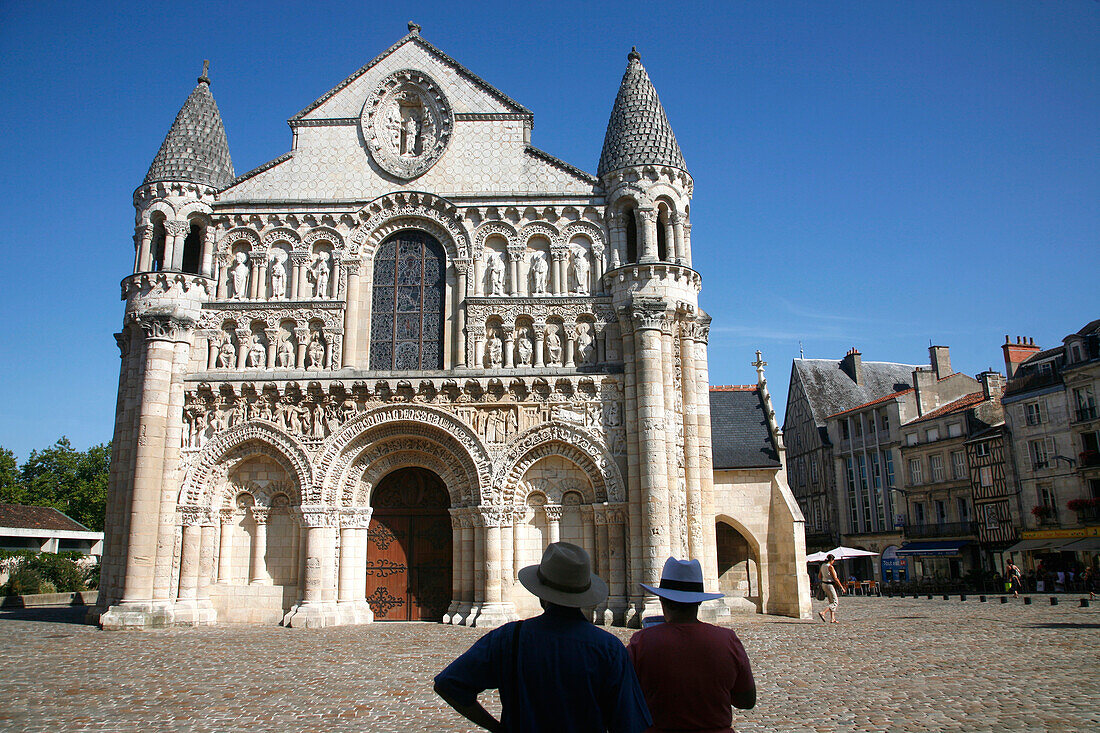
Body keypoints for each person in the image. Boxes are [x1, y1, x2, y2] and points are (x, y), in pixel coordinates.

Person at [433, 542, 651, 733]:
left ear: (540, 594)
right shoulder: (609, 649)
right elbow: (629, 723)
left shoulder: (508, 638)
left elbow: (448, 684)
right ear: (585, 594)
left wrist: (497, 728)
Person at [627, 558, 755, 733]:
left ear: (662, 600)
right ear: (699, 601)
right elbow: (747, 700)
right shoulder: (727, 640)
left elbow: (626, 698)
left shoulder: (641, 642)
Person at [818, 554, 845, 624]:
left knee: (831, 601)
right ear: (832, 560)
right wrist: (841, 587)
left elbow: (819, 576)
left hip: (824, 584)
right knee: (835, 602)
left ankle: (832, 618)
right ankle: (823, 612)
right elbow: (835, 578)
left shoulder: (822, 566)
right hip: (829, 584)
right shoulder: (830, 567)